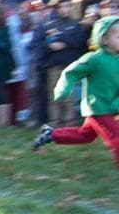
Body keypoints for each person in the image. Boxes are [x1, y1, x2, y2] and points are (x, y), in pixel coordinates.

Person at [32, 16, 119, 168]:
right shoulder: (94, 59)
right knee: (116, 137)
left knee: (85, 135)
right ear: (104, 39)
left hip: (112, 106)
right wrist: (63, 89)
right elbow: (71, 72)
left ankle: (50, 134)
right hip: (98, 108)